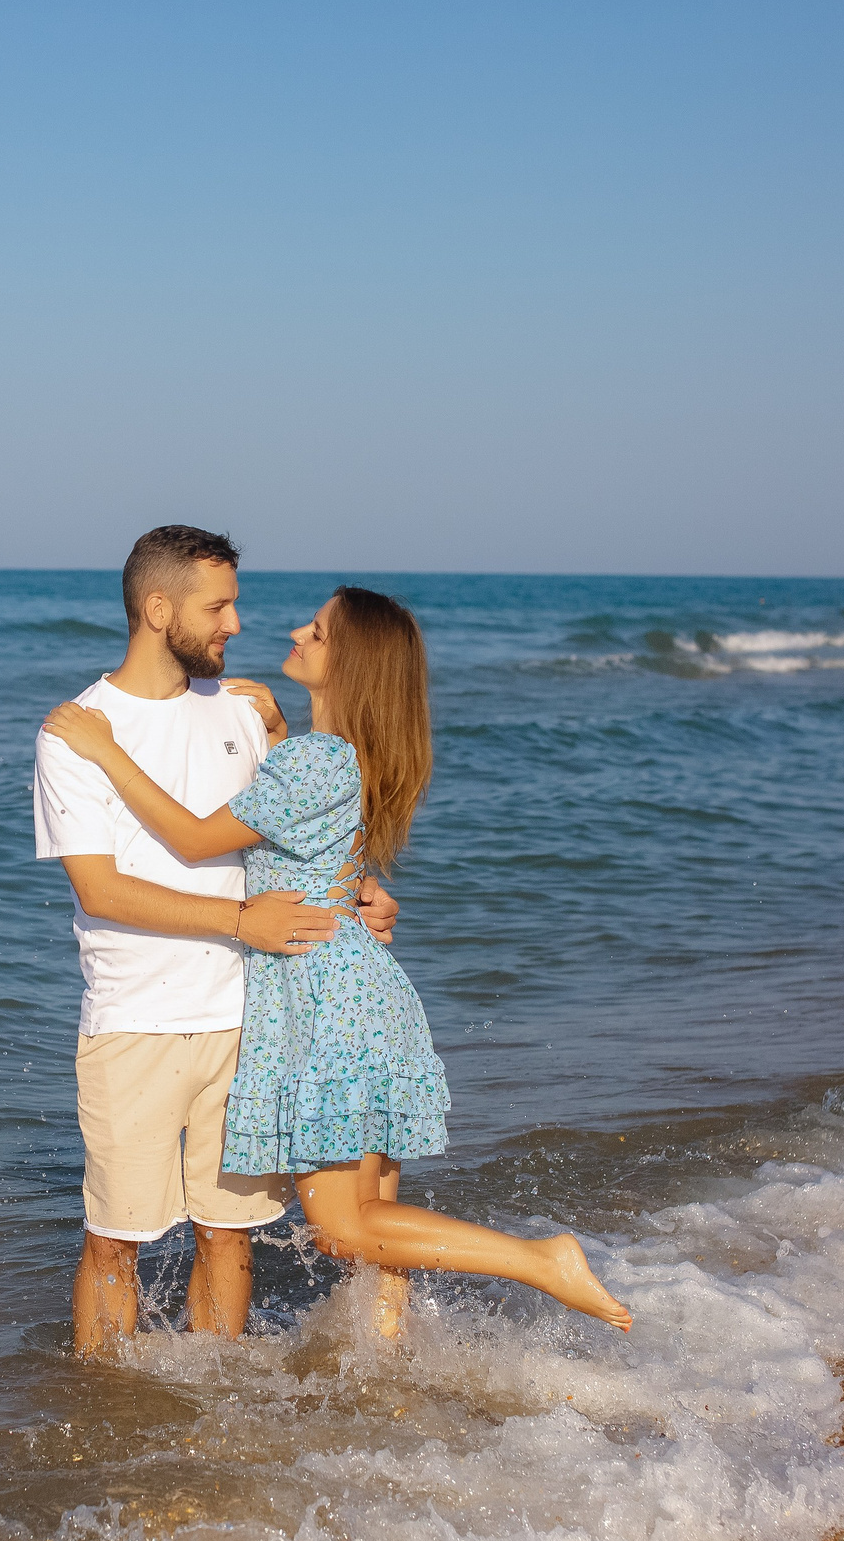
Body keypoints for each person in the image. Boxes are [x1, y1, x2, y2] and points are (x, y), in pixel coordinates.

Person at [45, 585, 632, 1337]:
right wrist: (284, 730)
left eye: (316, 632)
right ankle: (386, 1376)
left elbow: (193, 840)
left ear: (347, 665)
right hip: (363, 993)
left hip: (326, 1002)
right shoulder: (338, 756)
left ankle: (539, 1260)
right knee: (377, 1226)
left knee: (342, 1228)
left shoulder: (315, 760)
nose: (293, 631)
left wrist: (104, 749)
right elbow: (313, 841)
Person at [33, 526, 400, 1357]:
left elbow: (306, 830)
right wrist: (239, 920)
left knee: (228, 1236)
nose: (236, 621)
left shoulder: (244, 709)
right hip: (134, 1023)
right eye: (218, 604)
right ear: (159, 609)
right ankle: (103, 1417)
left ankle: (213, 1409)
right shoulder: (75, 732)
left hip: (250, 1021)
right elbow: (102, 889)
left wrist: (361, 889)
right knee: (112, 1240)